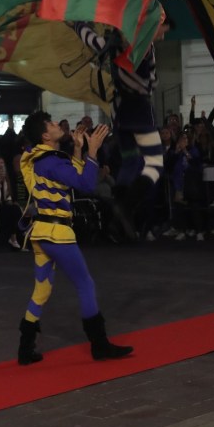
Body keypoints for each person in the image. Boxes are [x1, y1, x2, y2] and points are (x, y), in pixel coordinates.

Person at [17, 111, 133, 365]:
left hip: (42, 232)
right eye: (51, 123)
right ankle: (99, 345)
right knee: (85, 284)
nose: (57, 124)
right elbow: (86, 185)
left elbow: (73, 177)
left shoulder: (42, 159)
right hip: (57, 234)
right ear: (45, 135)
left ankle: (25, 348)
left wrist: (79, 150)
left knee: (42, 290)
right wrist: (92, 151)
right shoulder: (50, 161)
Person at [72, 19, 168, 236]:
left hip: (119, 111)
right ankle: (125, 207)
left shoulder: (110, 45)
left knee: (131, 160)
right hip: (139, 109)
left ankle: (118, 215)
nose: (163, 31)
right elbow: (151, 81)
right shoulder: (143, 45)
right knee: (155, 164)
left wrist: (77, 24)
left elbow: (89, 38)